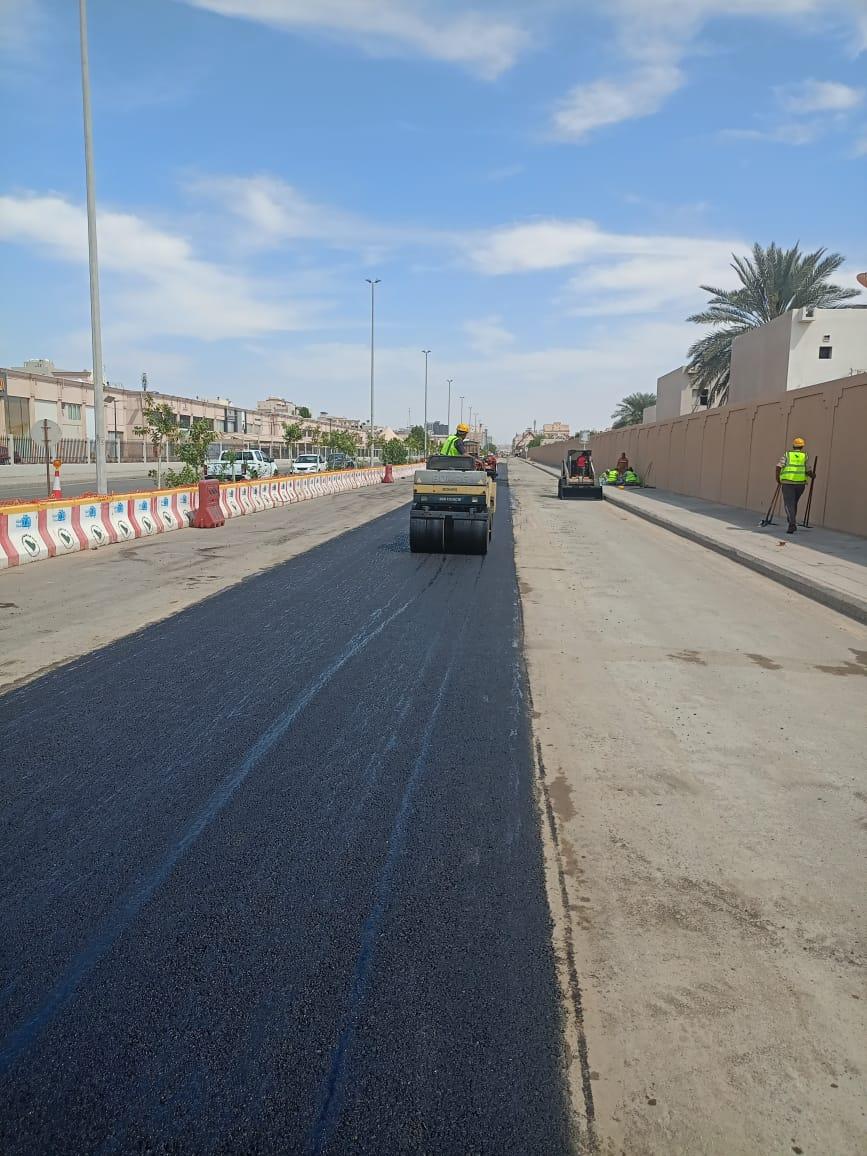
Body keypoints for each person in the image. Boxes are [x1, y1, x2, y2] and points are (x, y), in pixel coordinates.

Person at [776, 436, 813, 534]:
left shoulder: (787, 455)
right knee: (793, 503)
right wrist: (813, 475)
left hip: (788, 483)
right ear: (802, 446)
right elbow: (808, 470)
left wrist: (777, 478)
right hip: (800, 485)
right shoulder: (804, 456)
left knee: (789, 504)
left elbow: (778, 466)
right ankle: (792, 521)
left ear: (793, 445)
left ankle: (792, 524)